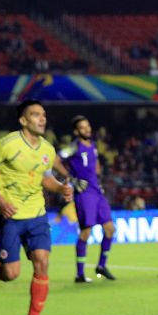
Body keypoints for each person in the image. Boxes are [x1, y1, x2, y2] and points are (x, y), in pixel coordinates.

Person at [0, 100, 73, 315]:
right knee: (11, 274)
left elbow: (43, 178)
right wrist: (0, 200)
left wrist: (60, 188)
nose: (42, 119)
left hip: (37, 215)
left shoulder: (47, 150)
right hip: (10, 216)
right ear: (23, 120)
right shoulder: (8, 145)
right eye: (36, 115)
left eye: (44, 115)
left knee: (42, 261)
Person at [60, 115, 118, 283]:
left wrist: (97, 180)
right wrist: (71, 178)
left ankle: (101, 266)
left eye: (88, 126)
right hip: (84, 193)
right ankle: (80, 274)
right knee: (86, 231)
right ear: (76, 131)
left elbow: (95, 165)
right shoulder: (73, 147)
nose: (87, 130)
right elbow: (55, 160)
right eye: (83, 128)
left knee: (110, 229)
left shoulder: (92, 145)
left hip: (96, 192)